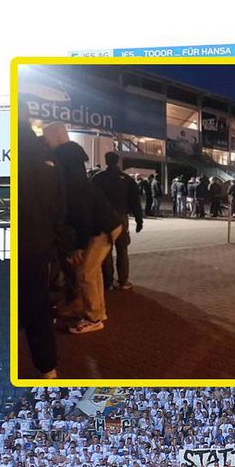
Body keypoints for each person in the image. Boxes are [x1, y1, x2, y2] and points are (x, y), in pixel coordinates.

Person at [45, 123, 122, 334]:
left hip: (102, 227)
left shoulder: (68, 173)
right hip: (106, 223)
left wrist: (78, 245)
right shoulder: (74, 163)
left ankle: (94, 317)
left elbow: (81, 212)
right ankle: (98, 311)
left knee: (85, 274)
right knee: (92, 271)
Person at [16, 111, 64, 378]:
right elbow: (60, 208)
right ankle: (48, 368)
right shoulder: (49, 161)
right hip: (39, 246)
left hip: (19, 243)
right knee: (38, 306)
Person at [91, 152, 143, 291]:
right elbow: (134, 202)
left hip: (103, 217)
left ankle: (108, 282)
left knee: (105, 250)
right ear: (117, 161)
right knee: (122, 249)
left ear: (106, 161)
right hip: (121, 217)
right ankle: (123, 280)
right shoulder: (126, 179)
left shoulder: (98, 178)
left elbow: (91, 199)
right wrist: (139, 220)